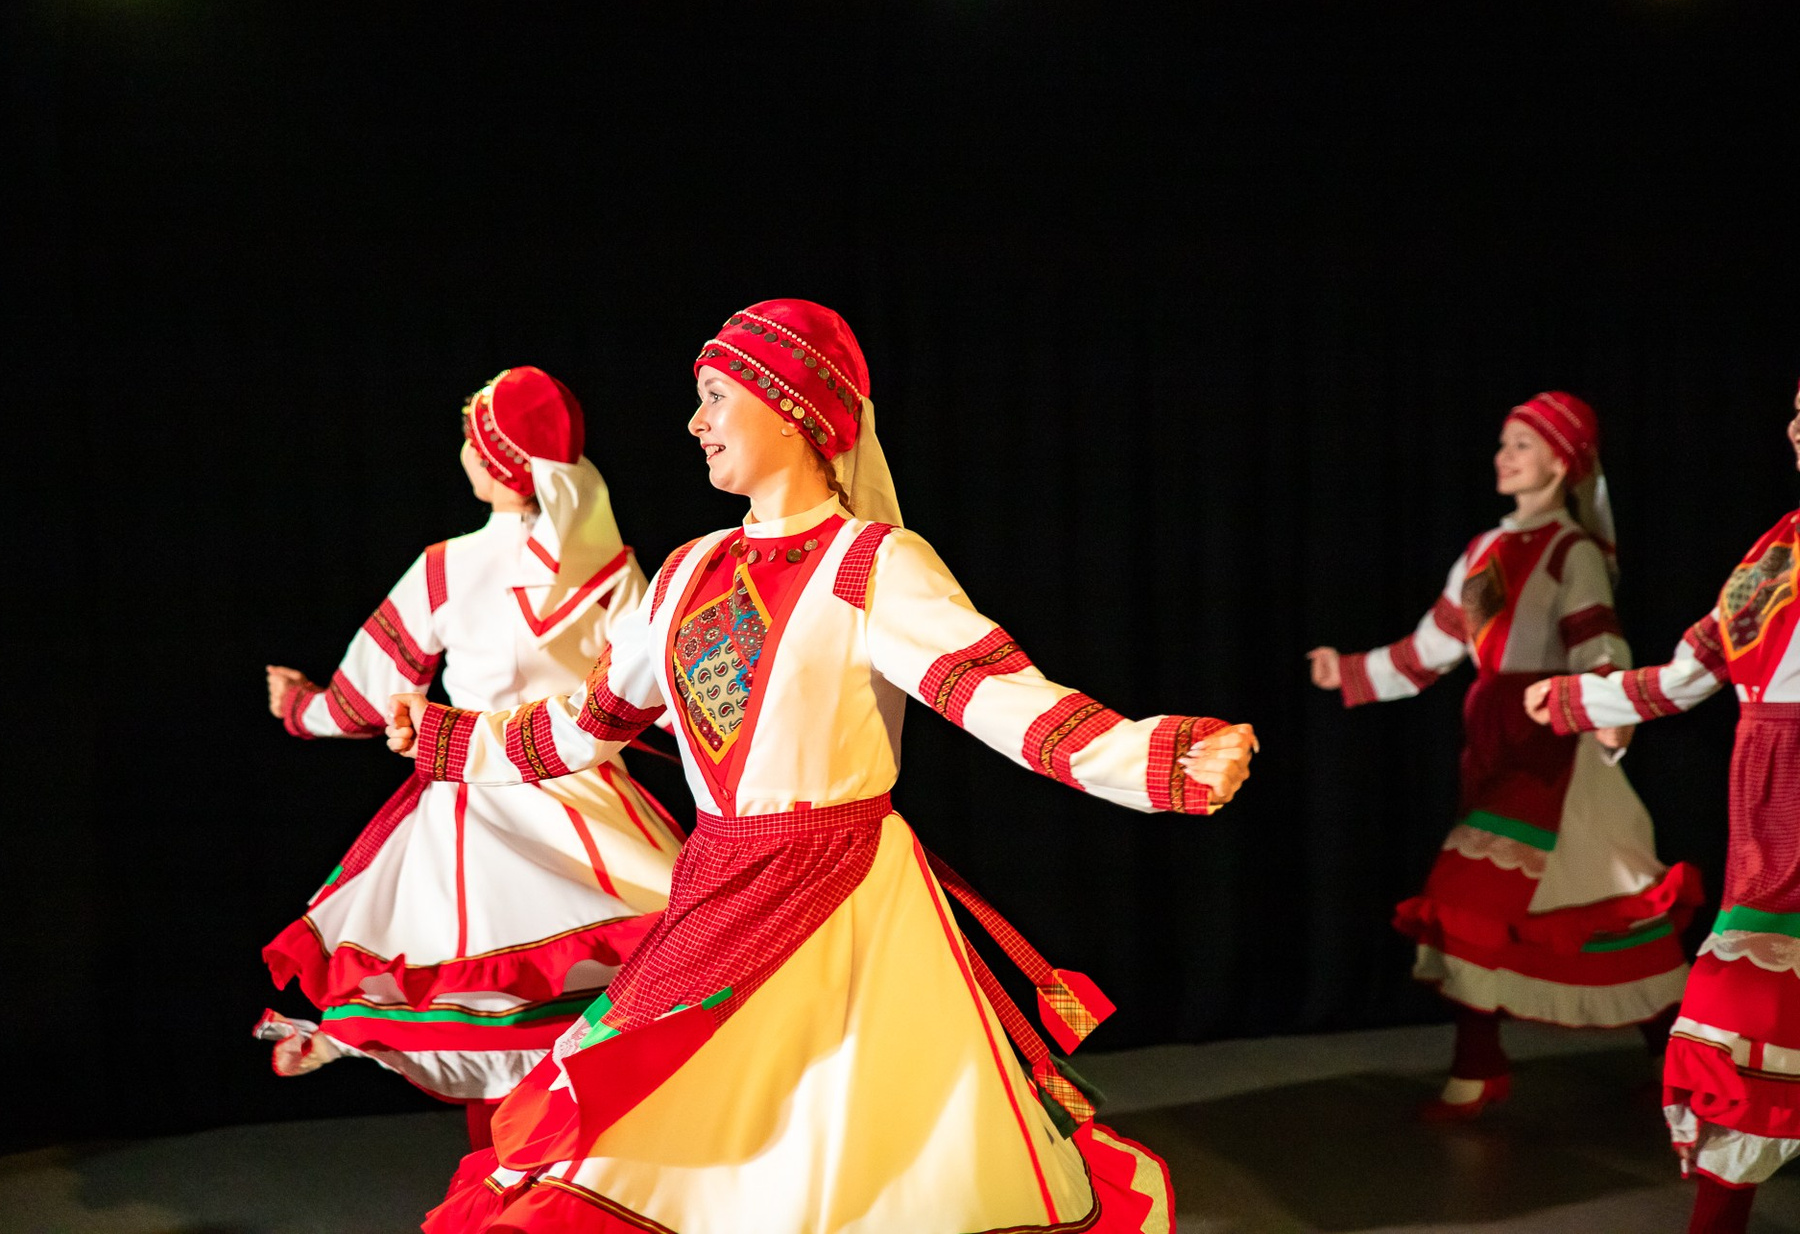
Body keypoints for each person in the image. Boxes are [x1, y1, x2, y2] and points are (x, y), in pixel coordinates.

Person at [388, 300, 1257, 1234]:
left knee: (844, 1169)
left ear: (792, 407)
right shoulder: (685, 572)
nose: (696, 423)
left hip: (844, 906)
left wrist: (1154, 759)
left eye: (716, 397)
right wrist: (448, 738)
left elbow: (999, 699)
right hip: (717, 897)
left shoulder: (870, 564)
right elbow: (586, 724)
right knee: (659, 1153)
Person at [256, 366, 684, 1150]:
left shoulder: (446, 568)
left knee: (484, 993)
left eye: (469, 439)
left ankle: (499, 1168)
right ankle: (567, 1172)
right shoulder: (611, 569)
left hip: (476, 799)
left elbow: (364, 700)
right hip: (590, 800)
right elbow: (651, 691)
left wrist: (297, 707)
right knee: (616, 982)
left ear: (492, 460)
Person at [1309, 392, 1698, 1120]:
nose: (1503, 456)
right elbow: (1436, 646)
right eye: (1502, 443)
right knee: (1586, 904)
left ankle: (1486, 1065)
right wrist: (1351, 671)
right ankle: (1616, 1055)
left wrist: (1608, 713)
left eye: (1521, 444)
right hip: (1497, 746)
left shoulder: (1572, 552)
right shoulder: (1485, 551)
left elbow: (1599, 644)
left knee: (1488, 897)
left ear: (1562, 461)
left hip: (1554, 747)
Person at [1526, 382, 1800, 1234]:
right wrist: (1577, 700)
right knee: (1741, 1024)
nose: (1797, 428)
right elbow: (1689, 676)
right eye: (1798, 409)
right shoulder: (1777, 552)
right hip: (1775, 813)